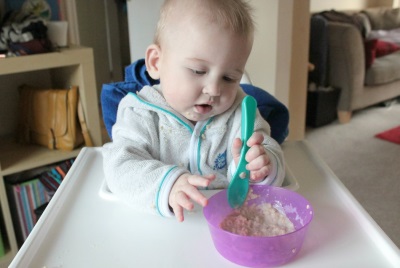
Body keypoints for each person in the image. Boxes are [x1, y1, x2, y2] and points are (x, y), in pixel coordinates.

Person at [102, 0, 285, 222]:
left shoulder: (240, 112)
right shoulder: (140, 113)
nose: (214, 89)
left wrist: (261, 166)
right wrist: (168, 184)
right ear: (156, 62)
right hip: (161, 226)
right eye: (198, 71)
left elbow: (267, 149)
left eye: (229, 78)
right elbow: (119, 168)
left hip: (225, 222)